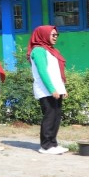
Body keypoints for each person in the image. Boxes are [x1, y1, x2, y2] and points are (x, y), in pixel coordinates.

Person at [28, 25, 69, 155]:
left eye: (57, 35)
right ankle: (45, 146)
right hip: (45, 90)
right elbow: (43, 72)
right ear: (44, 35)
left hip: (56, 89)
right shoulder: (38, 51)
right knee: (50, 116)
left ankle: (53, 143)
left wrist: (62, 89)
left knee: (56, 116)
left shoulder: (51, 50)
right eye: (53, 35)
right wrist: (52, 89)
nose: (55, 37)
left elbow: (56, 72)